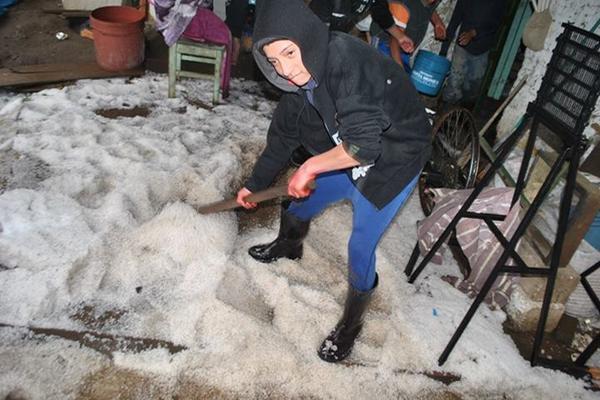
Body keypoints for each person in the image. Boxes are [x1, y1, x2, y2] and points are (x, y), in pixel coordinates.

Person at [236, 0, 432, 362]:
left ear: (307, 39)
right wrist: (255, 185)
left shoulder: (345, 63)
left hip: (394, 158)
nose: (287, 69)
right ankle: (288, 245)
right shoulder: (300, 85)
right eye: (275, 61)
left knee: (360, 246)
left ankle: (351, 326)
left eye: (290, 53)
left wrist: (311, 166)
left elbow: (363, 146)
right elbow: (281, 139)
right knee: (301, 201)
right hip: (354, 146)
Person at [440, 0, 507, 107]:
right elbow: (455, 19)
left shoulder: (499, 2)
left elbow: (495, 24)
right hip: (462, 43)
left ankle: (462, 114)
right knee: (454, 82)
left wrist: (474, 33)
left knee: (473, 87)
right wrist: (443, 50)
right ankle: (445, 112)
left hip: (482, 48)